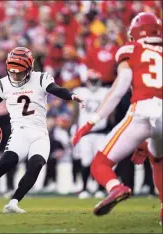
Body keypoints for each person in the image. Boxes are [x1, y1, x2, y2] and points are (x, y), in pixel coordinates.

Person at [0, 47, 83, 213]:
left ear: (30, 68)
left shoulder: (40, 79)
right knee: (5, 163)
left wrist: (71, 95)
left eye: (19, 73)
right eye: (13, 72)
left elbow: (56, 89)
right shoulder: (4, 83)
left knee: (36, 165)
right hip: (20, 132)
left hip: (40, 133)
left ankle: (13, 202)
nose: (15, 76)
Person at [72, 12, 162, 221]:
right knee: (157, 161)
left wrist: (91, 122)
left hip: (141, 110)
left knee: (100, 164)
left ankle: (116, 187)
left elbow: (120, 87)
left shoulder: (131, 49)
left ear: (136, 33)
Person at [72, 70, 111, 199]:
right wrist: (73, 128)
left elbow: (112, 113)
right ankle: (84, 188)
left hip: (101, 132)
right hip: (85, 133)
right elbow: (75, 112)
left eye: (95, 80)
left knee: (99, 161)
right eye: (92, 80)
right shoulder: (81, 92)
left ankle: (100, 188)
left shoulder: (105, 92)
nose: (94, 83)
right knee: (86, 161)